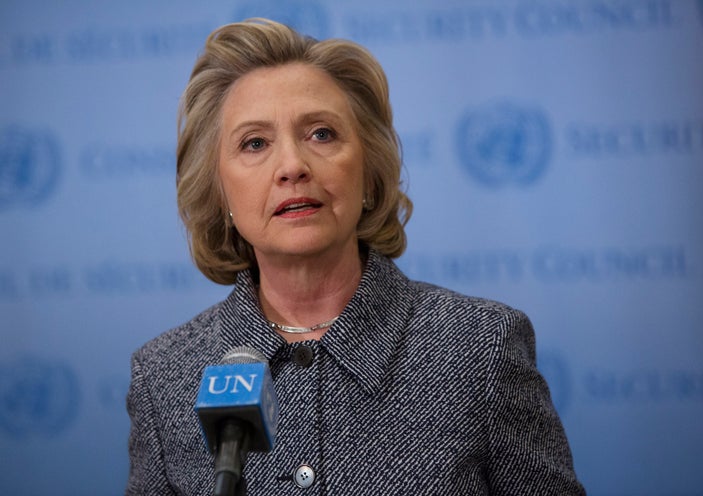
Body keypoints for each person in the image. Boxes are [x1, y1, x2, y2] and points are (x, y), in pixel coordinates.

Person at [126, 18, 585, 495]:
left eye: (321, 134)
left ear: (368, 173)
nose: (292, 166)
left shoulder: (482, 348)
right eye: (255, 143)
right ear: (218, 188)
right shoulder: (165, 378)